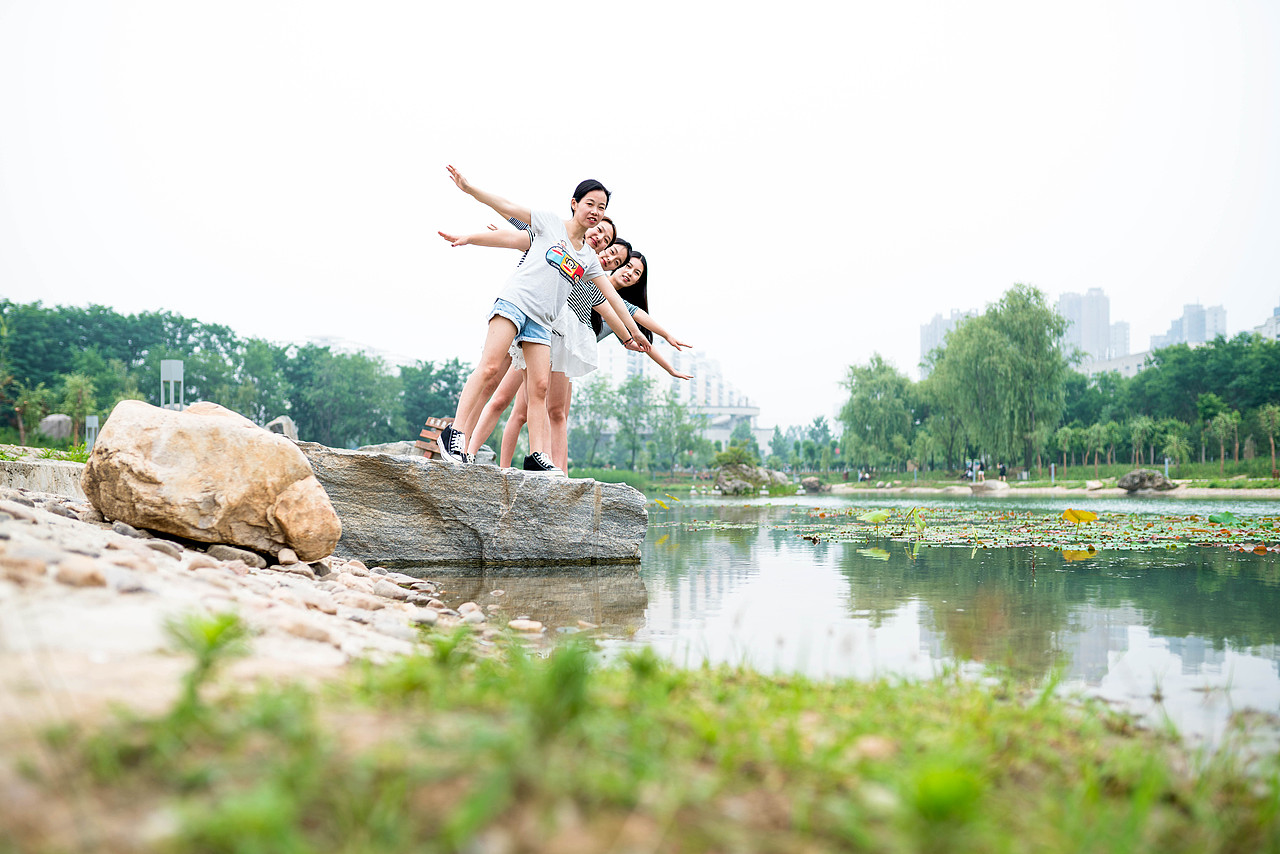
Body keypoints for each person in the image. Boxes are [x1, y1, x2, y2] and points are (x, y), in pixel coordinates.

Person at [434, 166, 648, 476]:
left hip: (541, 323)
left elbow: (612, 299)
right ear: (574, 203)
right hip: (515, 303)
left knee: (540, 387)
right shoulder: (550, 223)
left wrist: (633, 332)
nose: (595, 211)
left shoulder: (587, 257)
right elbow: (507, 207)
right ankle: (453, 434)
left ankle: (536, 455)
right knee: (490, 367)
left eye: (601, 208)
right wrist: (469, 189)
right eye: (590, 203)